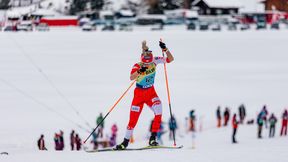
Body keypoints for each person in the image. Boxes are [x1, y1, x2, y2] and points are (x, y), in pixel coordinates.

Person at [115, 40, 174, 150]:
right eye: (145, 63)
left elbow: (170, 59)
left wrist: (165, 49)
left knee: (159, 109)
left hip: (151, 92)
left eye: (149, 63)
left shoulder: (155, 60)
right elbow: (131, 77)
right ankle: (125, 142)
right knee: (133, 120)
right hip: (139, 95)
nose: (148, 65)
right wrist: (139, 71)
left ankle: (153, 138)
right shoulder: (137, 65)